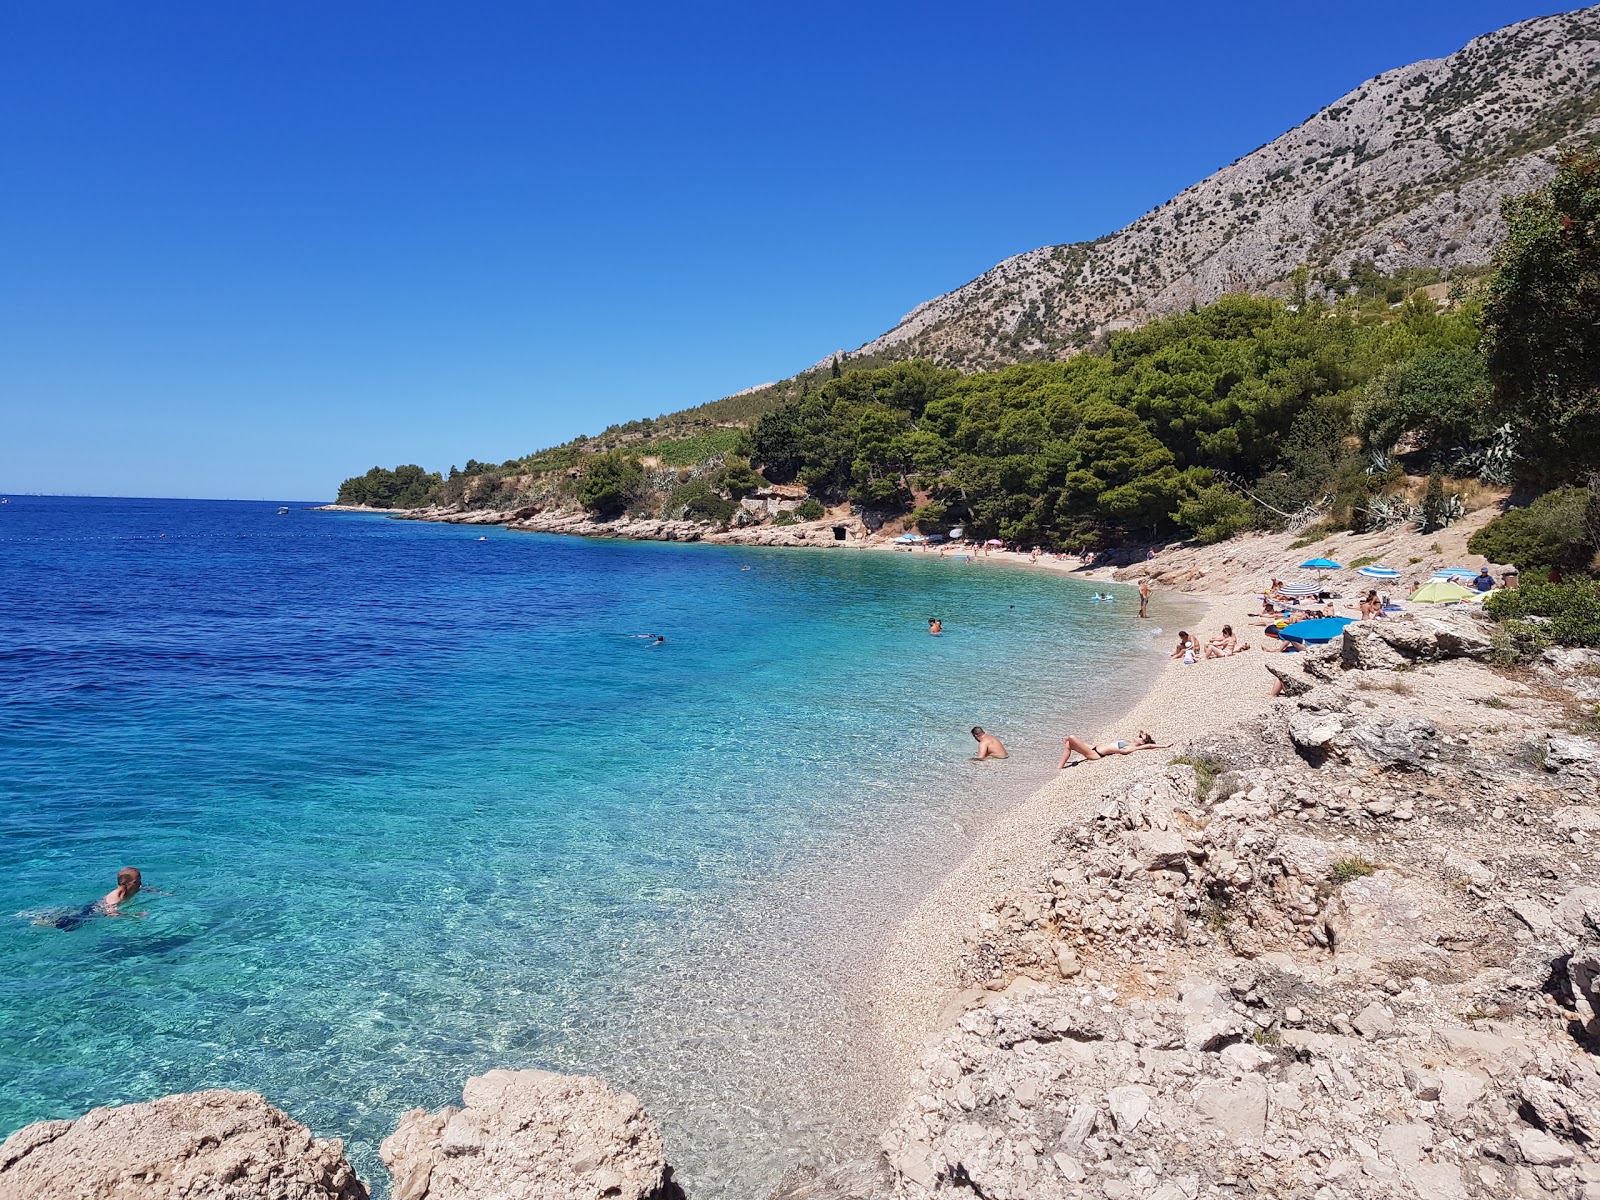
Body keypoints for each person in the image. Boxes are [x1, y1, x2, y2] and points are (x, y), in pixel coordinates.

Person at [51, 867, 148, 930]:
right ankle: (47, 922)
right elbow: (112, 914)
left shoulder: (133, 889)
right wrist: (134, 915)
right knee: (69, 924)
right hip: (93, 912)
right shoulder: (114, 898)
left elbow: (145, 888)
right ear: (124, 884)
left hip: (98, 909)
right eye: (136, 882)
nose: (140, 884)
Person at [1059, 729, 1171, 768]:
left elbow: (1149, 745)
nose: (1138, 735)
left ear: (1142, 742)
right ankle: (1059, 768)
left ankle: (1060, 767)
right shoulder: (1129, 742)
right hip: (1094, 748)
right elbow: (1145, 740)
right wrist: (1143, 734)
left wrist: (1164, 746)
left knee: (1072, 738)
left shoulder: (1130, 748)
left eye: (1140, 736)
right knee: (1069, 744)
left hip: (1094, 754)